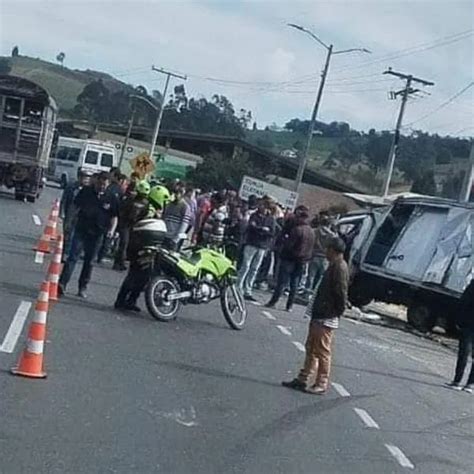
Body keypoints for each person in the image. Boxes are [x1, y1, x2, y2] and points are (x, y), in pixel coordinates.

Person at [282, 237, 349, 395]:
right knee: (311, 348)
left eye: (328, 249)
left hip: (326, 316)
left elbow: (341, 293)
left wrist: (335, 312)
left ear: (333, 250)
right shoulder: (334, 265)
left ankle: (321, 383)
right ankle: (303, 378)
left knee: (322, 351)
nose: (325, 252)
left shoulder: (339, 268)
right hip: (320, 313)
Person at [58, 172, 119, 298]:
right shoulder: (86, 192)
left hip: (97, 234)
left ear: (108, 185)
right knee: (72, 257)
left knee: (89, 261)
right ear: (96, 182)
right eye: (100, 183)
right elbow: (75, 207)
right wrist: (68, 222)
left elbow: (114, 216)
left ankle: (82, 287)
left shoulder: (111, 197)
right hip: (81, 230)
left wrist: (111, 230)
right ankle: (62, 284)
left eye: (105, 184)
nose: (102, 186)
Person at [265, 205, 315, 312]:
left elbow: (289, 245)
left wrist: (283, 250)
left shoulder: (297, 230)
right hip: (302, 261)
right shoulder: (311, 232)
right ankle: (289, 306)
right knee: (295, 284)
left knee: (282, 282)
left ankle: (273, 302)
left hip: (289, 259)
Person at [237, 200, 276, 302]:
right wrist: (262, 229)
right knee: (246, 266)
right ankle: (238, 287)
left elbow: (272, 232)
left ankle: (248, 290)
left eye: (263, 205)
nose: (261, 207)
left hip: (262, 246)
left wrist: (262, 231)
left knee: (255, 268)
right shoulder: (254, 215)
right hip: (251, 243)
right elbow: (251, 227)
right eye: (260, 205)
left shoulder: (271, 219)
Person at [113, 180, 152, 271]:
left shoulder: (146, 203)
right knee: (124, 243)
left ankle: (122, 260)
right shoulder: (130, 199)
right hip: (125, 224)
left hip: (135, 225)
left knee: (130, 244)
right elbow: (122, 209)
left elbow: (144, 214)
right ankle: (119, 262)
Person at [445, 279, 474, 393]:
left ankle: (457, 381)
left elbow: (464, 302)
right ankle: (470, 384)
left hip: (469, 323)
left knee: (464, 352)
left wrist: (459, 320)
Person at [60, 169, 92, 260]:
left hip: (81, 217)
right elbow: (64, 200)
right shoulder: (71, 187)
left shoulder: (88, 190)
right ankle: (63, 254)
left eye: (87, 178)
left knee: (77, 237)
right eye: (83, 178)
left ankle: (71, 254)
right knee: (67, 235)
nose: (85, 180)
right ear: (79, 177)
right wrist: (61, 213)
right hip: (69, 215)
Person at [305, 213, 337, 294]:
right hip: (325, 258)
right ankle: (315, 293)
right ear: (329, 224)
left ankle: (306, 292)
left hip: (314, 255)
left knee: (311, 276)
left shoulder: (315, 231)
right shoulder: (333, 236)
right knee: (320, 278)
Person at [163, 184, 192, 249]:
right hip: (164, 235)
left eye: (180, 192)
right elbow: (164, 219)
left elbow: (184, 225)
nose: (177, 194)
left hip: (173, 239)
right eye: (176, 192)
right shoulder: (169, 205)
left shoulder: (185, 207)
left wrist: (175, 240)